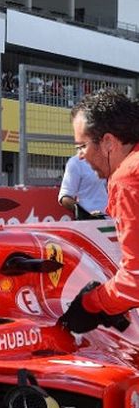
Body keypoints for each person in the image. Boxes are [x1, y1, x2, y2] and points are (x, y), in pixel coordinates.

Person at [57, 90, 139, 334]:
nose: (80, 156)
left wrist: (91, 303)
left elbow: (135, 280)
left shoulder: (128, 179)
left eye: (82, 146)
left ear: (108, 143)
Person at [57, 153, 108, 217]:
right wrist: (86, 215)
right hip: (90, 221)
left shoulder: (109, 159)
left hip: (112, 219)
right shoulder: (75, 162)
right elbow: (64, 197)